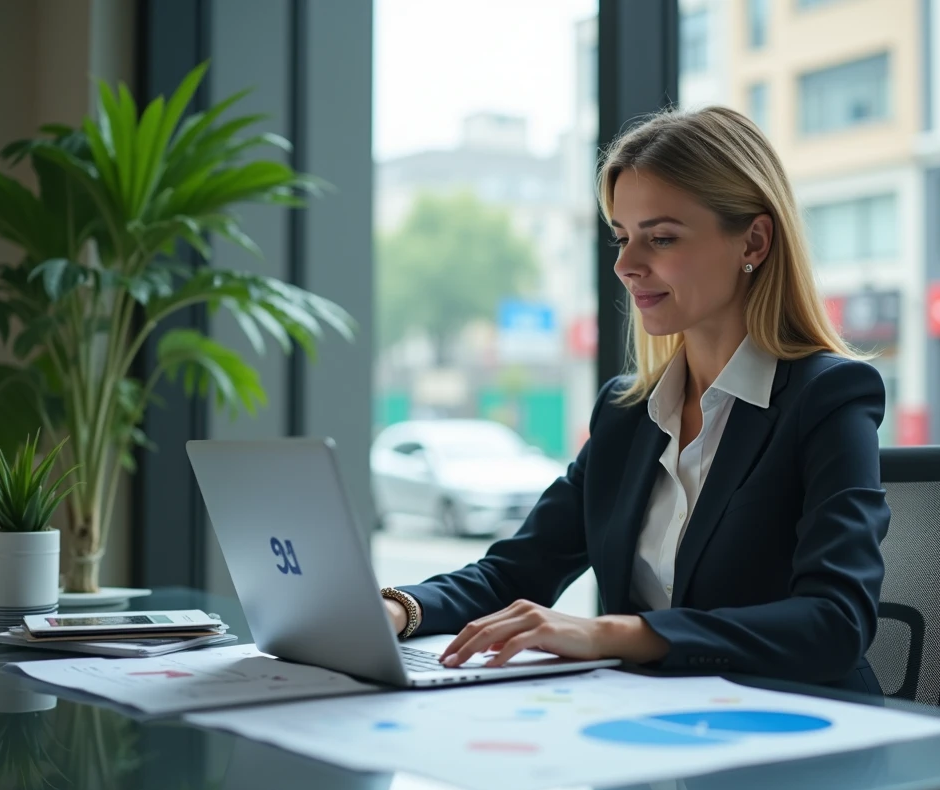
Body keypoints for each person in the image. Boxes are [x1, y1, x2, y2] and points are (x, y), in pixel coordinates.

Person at [380, 106, 891, 695]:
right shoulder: (626, 414)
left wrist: (612, 634)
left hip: (801, 741)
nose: (625, 265)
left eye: (661, 238)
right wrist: (396, 609)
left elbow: (835, 622)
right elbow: (514, 573)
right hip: (652, 731)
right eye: (623, 238)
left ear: (754, 239)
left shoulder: (826, 397)